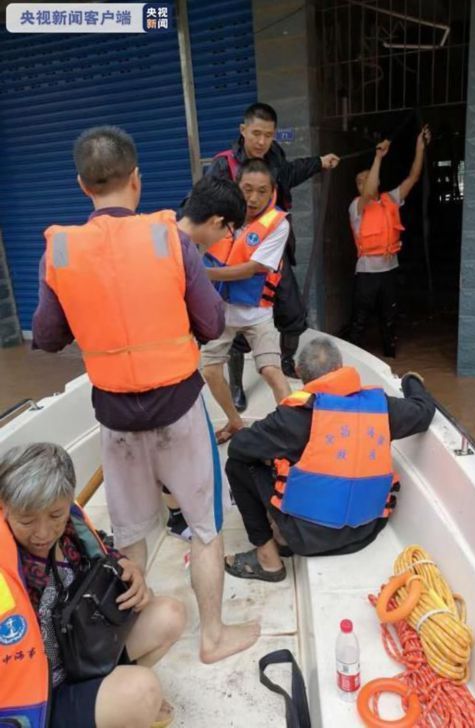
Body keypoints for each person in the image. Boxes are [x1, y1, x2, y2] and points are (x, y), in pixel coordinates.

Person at [32, 125, 260, 663]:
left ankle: (128, 639)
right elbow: (211, 321)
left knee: (130, 535)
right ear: (136, 179)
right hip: (179, 410)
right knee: (204, 528)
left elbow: (46, 336)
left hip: (115, 418)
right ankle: (212, 637)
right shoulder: (169, 239)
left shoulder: (58, 251)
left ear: (83, 185)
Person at [0, 443, 185, 728]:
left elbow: (104, 552)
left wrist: (128, 568)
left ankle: (109, 706)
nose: (43, 533)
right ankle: (114, 706)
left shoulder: (72, 525)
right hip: (41, 697)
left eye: (54, 515)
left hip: (79, 653)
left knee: (170, 614)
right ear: (4, 508)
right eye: (27, 520)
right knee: (142, 691)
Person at [224, 337, 435, 581]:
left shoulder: (292, 416)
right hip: (366, 530)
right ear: (340, 367)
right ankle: (282, 537)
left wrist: (272, 458)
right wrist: (411, 382)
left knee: (239, 465)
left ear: (300, 372)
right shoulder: (382, 407)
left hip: (307, 539)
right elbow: (424, 411)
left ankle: (268, 560)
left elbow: (239, 447)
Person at [207, 101, 340, 405]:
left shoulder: (275, 156)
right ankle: (237, 386)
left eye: (268, 135)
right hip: (235, 259)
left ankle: (283, 361)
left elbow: (291, 173)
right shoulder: (223, 166)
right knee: (238, 324)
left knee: (292, 314)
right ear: (243, 130)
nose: (261, 142)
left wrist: (320, 162)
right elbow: (199, 203)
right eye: (256, 134)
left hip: (273, 256)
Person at [201, 158, 292, 444]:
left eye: (262, 191)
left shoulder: (278, 225)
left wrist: (200, 274)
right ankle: (235, 422)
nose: (253, 198)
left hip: (258, 313)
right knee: (210, 369)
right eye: (247, 189)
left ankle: (292, 430)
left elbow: (252, 268)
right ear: (236, 187)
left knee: (271, 370)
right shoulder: (219, 216)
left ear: (272, 191)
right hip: (221, 312)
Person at [348, 125, 431, 357]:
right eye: (360, 181)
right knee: (359, 319)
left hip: (389, 271)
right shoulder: (357, 206)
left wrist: (419, 148)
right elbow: (369, 190)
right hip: (366, 273)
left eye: (368, 178)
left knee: (390, 317)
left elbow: (413, 177)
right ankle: (353, 359)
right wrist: (378, 157)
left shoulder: (390, 200)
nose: (365, 183)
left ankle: (390, 357)